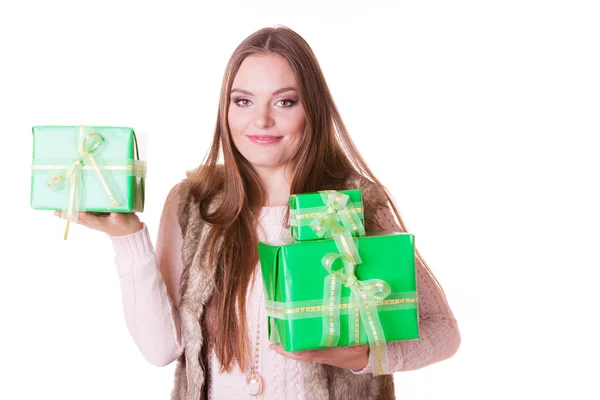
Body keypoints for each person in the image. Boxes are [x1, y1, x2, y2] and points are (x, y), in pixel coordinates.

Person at [56, 25, 461, 400]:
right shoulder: (192, 204)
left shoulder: (351, 203)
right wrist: (128, 237)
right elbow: (162, 349)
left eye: (285, 101)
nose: (262, 119)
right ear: (225, 110)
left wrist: (362, 358)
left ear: (312, 111)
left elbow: (442, 332)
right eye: (244, 101)